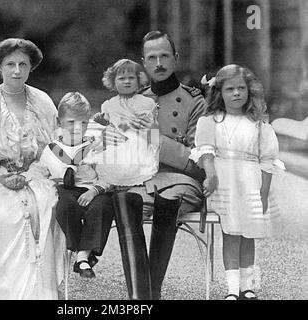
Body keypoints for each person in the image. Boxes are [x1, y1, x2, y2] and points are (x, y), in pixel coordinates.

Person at [0, 38, 66, 299]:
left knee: (47, 203)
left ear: (31, 67)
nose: (17, 71)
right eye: (10, 64)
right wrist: (0, 177)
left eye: (23, 64)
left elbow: (57, 147)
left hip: (36, 176)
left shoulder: (42, 101)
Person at [110, 31, 207, 300]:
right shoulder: (131, 100)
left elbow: (196, 161)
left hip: (181, 181)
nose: (159, 63)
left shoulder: (194, 101)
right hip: (140, 180)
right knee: (124, 202)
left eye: (165, 56)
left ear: (175, 59)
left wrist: (152, 136)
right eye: (152, 58)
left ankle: (150, 294)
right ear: (144, 63)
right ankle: (142, 298)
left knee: (168, 199)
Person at [191, 64, 284, 300]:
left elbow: (267, 160)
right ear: (219, 93)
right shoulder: (212, 121)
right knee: (231, 234)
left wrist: (263, 193)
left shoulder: (258, 124)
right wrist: (211, 176)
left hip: (250, 184)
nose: (236, 94)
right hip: (224, 184)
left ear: (249, 91)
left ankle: (247, 286)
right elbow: (206, 153)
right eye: (230, 89)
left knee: (248, 235)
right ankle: (232, 289)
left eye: (241, 88)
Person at [38, 92, 114, 279]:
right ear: (59, 122)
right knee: (63, 206)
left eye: (83, 123)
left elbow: (109, 175)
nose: (77, 128)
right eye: (71, 122)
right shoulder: (51, 150)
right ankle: (85, 253)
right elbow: (42, 173)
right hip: (64, 190)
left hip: (92, 189)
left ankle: (81, 256)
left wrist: (94, 191)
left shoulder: (94, 146)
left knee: (103, 207)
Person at [93, 58, 159, 186]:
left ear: (139, 80)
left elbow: (150, 131)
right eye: (121, 78)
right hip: (116, 144)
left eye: (131, 78)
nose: (127, 81)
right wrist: (103, 122)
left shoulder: (145, 102)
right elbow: (111, 125)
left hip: (138, 143)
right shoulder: (109, 105)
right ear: (113, 81)